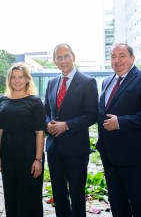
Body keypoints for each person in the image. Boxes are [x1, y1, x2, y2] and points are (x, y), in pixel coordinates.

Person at [97, 43, 141, 217]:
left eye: (122, 55)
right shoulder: (106, 81)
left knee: (140, 203)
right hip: (110, 155)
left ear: (132, 58)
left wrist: (120, 123)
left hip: (135, 156)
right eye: (113, 56)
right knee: (117, 203)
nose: (117, 60)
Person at [44, 43, 98, 217]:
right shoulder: (52, 83)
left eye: (66, 56)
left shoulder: (88, 82)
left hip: (76, 148)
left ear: (73, 57)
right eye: (59, 57)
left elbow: (92, 115)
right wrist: (47, 124)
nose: (63, 60)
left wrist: (66, 125)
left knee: (76, 193)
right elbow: (46, 112)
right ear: (54, 61)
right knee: (59, 193)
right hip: (54, 148)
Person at [0, 62, 45, 217]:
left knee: (29, 195)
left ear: (27, 79)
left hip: (29, 153)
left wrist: (38, 159)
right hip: (8, 153)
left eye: (20, 77)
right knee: (11, 194)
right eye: (13, 77)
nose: (17, 80)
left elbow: (40, 132)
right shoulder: (2, 101)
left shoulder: (35, 101)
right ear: (9, 80)